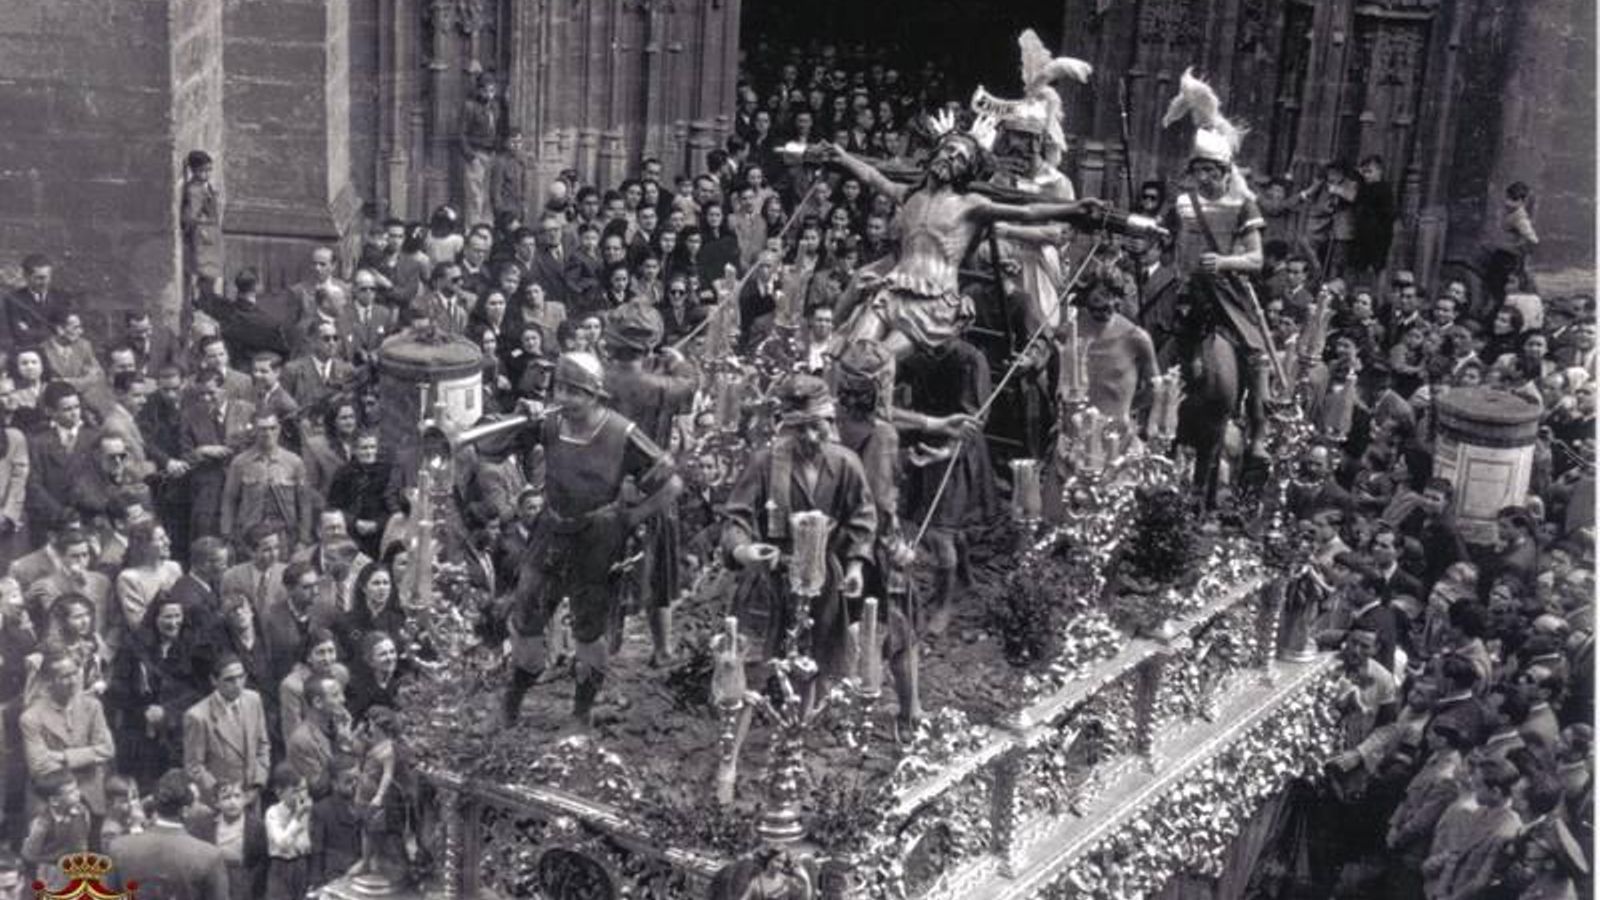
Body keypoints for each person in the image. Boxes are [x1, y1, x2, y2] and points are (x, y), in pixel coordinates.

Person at [498, 352, 682, 729]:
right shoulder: (549, 423)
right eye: (560, 389)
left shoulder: (621, 432)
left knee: (589, 631)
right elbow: (491, 449)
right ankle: (510, 705)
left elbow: (671, 482)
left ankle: (580, 715)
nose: (563, 398)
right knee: (527, 620)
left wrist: (632, 517)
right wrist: (516, 417)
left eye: (574, 391)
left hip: (597, 540)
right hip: (550, 532)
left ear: (595, 395)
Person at [821, 121, 1106, 360]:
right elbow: (873, 176)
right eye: (948, 151)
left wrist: (1073, 209)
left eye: (960, 159)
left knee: (875, 361)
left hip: (931, 305)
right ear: (935, 154)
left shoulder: (971, 205)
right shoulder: (910, 195)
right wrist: (843, 157)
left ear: (966, 170)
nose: (950, 159)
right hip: (893, 292)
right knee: (854, 356)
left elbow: (1028, 211)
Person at [19, 646, 115, 823]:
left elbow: (107, 750)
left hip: (92, 794)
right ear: (49, 681)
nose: (73, 681)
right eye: (64, 677)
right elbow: (40, 766)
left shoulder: (92, 706)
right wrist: (88, 757)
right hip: (52, 801)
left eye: (75, 673)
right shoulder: (31, 717)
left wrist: (63, 757)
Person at [107, 769, 230, 899]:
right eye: (196, 802)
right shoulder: (209, 857)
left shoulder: (119, 848)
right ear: (185, 811)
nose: (202, 808)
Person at [182, 654, 271, 809]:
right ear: (214, 681)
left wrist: (257, 784)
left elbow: (262, 745)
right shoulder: (198, 716)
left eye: (241, 677)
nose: (237, 684)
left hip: (252, 797)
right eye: (229, 679)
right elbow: (194, 766)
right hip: (219, 803)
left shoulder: (253, 700)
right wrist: (222, 794)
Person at [221, 411, 313, 554]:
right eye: (262, 429)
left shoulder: (294, 462)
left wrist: (303, 539)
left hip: (284, 534)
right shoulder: (240, 463)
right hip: (250, 534)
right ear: (254, 431)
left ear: (279, 429)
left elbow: (304, 503)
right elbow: (229, 500)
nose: (268, 433)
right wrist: (227, 537)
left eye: (272, 428)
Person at [263, 763, 313, 900]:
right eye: (295, 791)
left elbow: (310, 841)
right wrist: (297, 817)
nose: (301, 795)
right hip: (280, 866)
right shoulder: (272, 813)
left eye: (304, 789)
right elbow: (282, 843)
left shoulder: (309, 810)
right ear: (279, 793)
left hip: (302, 864)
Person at [181, 150, 224, 300]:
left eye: (209, 170)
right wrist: (201, 227)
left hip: (210, 236)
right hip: (203, 238)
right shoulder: (194, 190)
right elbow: (190, 216)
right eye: (203, 171)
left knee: (210, 276)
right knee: (207, 275)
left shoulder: (204, 186)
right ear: (194, 170)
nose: (207, 174)